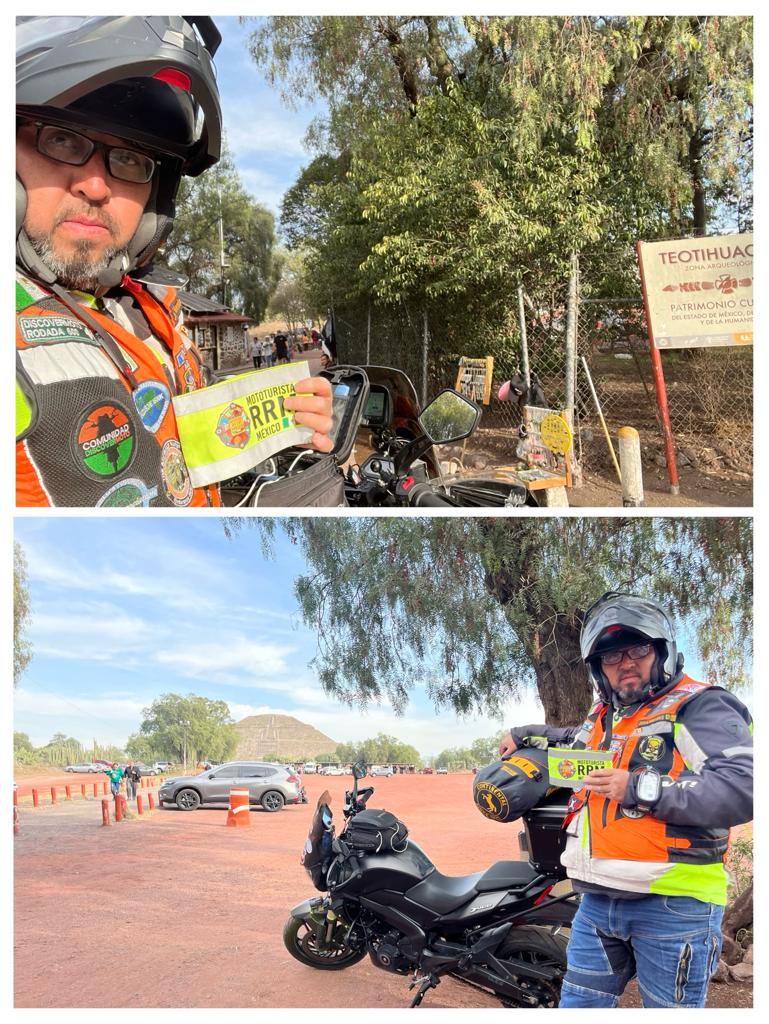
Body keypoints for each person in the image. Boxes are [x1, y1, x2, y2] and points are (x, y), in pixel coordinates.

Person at [15, 17, 333, 507]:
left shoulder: (149, 308)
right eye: (61, 140)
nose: (96, 187)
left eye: (128, 160)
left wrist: (280, 413)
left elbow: (178, 438)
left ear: (155, 196)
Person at [500, 591, 753, 1009]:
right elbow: (570, 741)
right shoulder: (607, 717)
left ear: (662, 650)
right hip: (598, 901)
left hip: (674, 906)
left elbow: (743, 788)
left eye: (637, 648)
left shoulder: (700, 706)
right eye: (611, 657)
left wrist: (636, 787)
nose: (626, 663)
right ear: (599, 669)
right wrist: (524, 733)